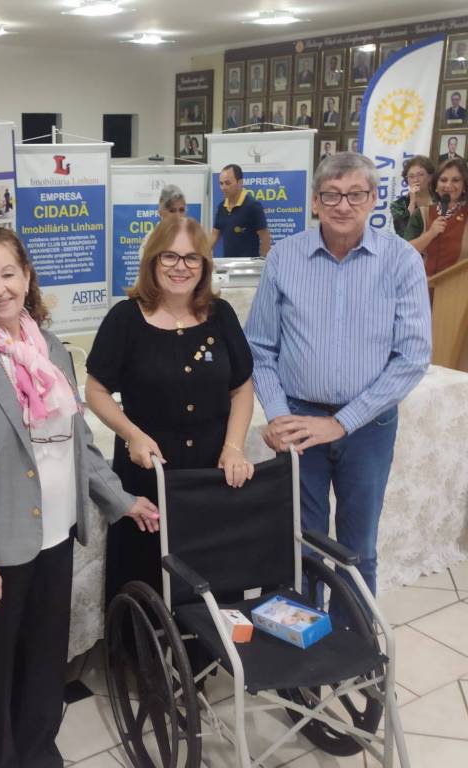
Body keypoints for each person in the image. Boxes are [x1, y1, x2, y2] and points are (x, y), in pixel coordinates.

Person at [0, 228, 158, 768]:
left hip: (55, 535)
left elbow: (78, 445)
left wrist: (121, 499)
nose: (0, 288)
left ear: (27, 277)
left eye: (8, 274)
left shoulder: (51, 349)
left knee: (45, 657)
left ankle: (37, 750)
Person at [245, 152, 431, 617]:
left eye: (354, 194)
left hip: (368, 426)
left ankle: (354, 640)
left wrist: (342, 422)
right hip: (298, 422)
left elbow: (412, 357)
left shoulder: (401, 260)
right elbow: (260, 348)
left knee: (357, 547)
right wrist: (278, 415)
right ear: (315, 201)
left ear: (373, 199)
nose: (343, 205)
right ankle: (305, 642)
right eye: (331, 195)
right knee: (301, 541)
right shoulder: (285, 258)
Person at [85, 216, 255, 602]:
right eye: (170, 256)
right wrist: (131, 434)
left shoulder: (221, 315)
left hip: (211, 474)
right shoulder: (124, 318)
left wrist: (234, 447)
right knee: (146, 581)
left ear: (204, 265)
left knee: (213, 580)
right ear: (153, 260)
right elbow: (96, 390)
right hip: (148, 473)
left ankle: (208, 640)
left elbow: (242, 386)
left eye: (192, 258)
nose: (181, 267)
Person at [404, 158, 468, 277]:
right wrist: (430, 233)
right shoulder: (422, 214)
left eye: (455, 180)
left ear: (464, 185)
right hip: (424, 284)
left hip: (460, 286)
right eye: (443, 180)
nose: (448, 185)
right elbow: (404, 252)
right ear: (436, 185)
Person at [211, 164, 270, 259]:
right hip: (228, 264)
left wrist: (264, 263)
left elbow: (265, 238)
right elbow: (214, 235)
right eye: (221, 183)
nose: (223, 187)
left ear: (240, 183)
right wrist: (201, 256)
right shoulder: (221, 207)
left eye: (227, 183)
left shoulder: (253, 206)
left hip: (249, 265)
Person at [389, 155, 437, 236]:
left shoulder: (440, 199)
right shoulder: (398, 205)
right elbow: (404, 233)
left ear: (430, 177)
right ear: (407, 179)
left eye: (420, 175)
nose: (415, 180)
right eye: (411, 176)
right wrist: (412, 202)